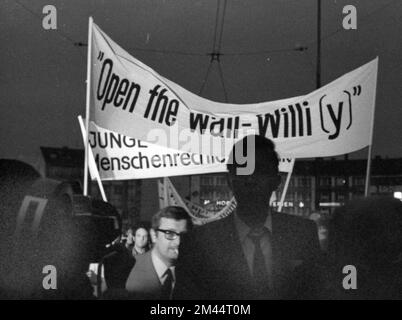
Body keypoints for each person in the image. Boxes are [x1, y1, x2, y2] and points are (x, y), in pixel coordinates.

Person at [175, 135, 321, 299]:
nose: (250, 180)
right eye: (243, 171)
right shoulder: (198, 244)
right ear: (229, 181)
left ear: (276, 181)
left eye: (260, 171)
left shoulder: (303, 233)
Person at [125, 206, 192, 299]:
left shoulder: (195, 273)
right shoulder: (128, 269)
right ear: (153, 235)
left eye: (184, 235)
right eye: (170, 233)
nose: (178, 242)